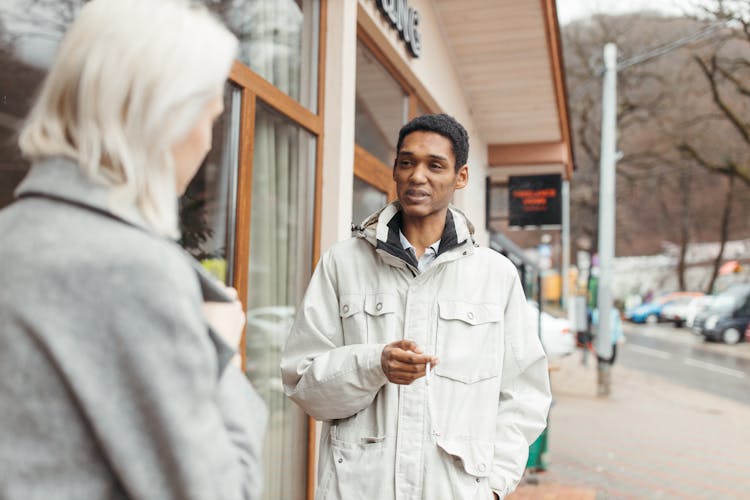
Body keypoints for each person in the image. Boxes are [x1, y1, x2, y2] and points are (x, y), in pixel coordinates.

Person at [0, 0, 266, 498]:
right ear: (166, 116)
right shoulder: (134, 272)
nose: (208, 144)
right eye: (209, 117)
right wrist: (222, 357)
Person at [281, 114, 552, 499]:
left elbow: (524, 395)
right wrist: (374, 364)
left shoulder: (496, 276)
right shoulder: (342, 264)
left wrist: (492, 487)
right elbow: (303, 383)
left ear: (461, 177)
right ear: (394, 169)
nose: (417, 176)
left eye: (435, 165)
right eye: (406, 162)